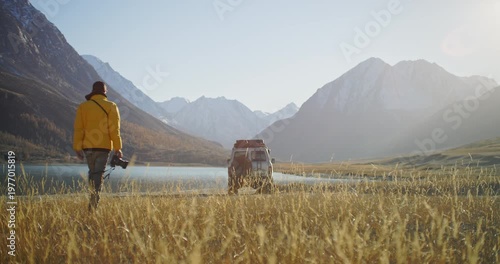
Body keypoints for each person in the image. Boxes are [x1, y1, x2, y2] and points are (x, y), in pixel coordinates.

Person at [73, 81, 123, 211]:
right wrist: (118, 148)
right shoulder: (111, 106)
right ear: (105, 92)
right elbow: (114, 130)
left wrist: (77, 147)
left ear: (93, 91)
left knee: (92, 172)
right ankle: (93, 207)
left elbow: (79, 129)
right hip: (103, 148)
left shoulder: (83, 107)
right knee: (98, 175)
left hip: (87, 148)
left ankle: (92, 202)